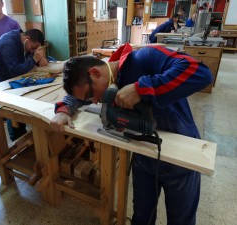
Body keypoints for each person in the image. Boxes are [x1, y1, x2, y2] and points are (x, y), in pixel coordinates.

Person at [50, 43, 212, 225]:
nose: (94, 101)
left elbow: (201, 73)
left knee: (181, 220)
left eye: (91, 94)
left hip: (181, 158)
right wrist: (63, 111)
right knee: (142, 217)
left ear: (95, 73)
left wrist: (141, 88)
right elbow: (75, 96)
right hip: (143, 156)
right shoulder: (107, 77)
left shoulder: (145, 57)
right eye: (88, 100)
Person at [0, 28, 48, 141]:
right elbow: (15, 70)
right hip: (0, 80)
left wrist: (41, 58)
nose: (32, 51)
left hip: (12, 76)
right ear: (27, 39)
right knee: (12, 108)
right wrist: (34, 59)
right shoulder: (8, 43)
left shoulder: (23, 40)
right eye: (33, 47)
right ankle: (17, 138)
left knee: (25, 102)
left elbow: (26, 60)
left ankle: (26, 134)